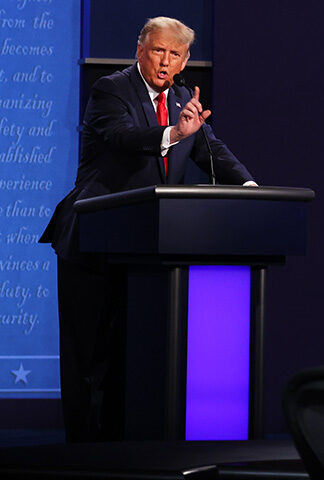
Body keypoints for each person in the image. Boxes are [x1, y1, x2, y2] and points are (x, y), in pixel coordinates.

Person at [40, 16, 256, 441]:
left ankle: (126, 450)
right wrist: (174, 132)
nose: (165, 60)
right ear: (140, 49)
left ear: (185, 60)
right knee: (90, 360)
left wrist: (250, 187)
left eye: (175, 54)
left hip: (146, 252)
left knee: (130, 358)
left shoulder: (180, 100)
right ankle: (84, 455)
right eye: (158, 50)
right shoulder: (111, 89)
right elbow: (123, 137)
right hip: (94, 243)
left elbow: (210, 149)